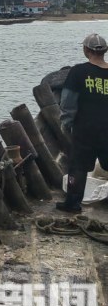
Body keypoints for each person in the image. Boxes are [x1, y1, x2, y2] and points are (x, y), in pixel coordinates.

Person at [57, 33, 108, 213]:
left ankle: (73, 203)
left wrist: (67, 123)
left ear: (86, 50)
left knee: (77, 167)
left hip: (84, 130)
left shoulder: (78, 72)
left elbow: (68, 102)